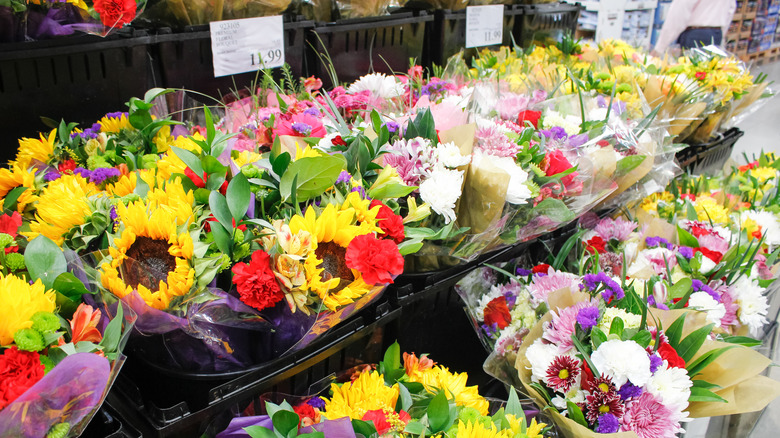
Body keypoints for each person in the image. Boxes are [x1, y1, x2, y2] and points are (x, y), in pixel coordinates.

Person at [654, 0, 736, 54]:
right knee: (708, 75)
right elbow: (731, 10)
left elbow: (679, 13)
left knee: (688, 76)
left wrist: (659, 48)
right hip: (716, 33)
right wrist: (721, 35)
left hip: (695, 35)